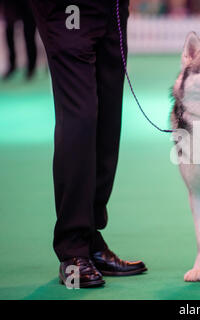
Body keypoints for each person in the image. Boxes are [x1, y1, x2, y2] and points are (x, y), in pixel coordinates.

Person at [29, 0, 147, 288]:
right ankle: (73, 250)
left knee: (107, 123)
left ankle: (91, 238)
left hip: (112, 7)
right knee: (79, 121)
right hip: (68, 7)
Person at [1, 0, 37, 80]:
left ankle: (31, 66)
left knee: (29, 33)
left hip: (27, 3)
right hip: (10, 3)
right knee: (9, 30)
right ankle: (12, 64)